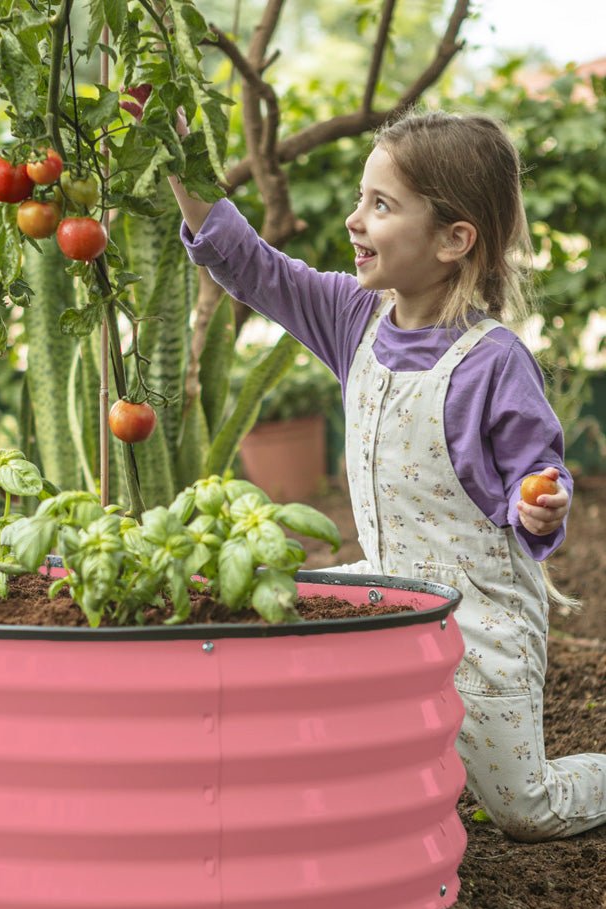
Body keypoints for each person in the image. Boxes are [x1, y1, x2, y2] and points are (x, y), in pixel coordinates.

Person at [169, 107, 606, 842]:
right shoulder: (353, 316)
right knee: (275, 617)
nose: (354, 220)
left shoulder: (494, 362)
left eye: (381, 205)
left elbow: (540, 470)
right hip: (392, 589)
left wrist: (543, 504)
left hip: (482, 617)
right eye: (361, 200)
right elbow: (247, 262)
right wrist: (179, 155)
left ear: (452, 239)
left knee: (526, 810)